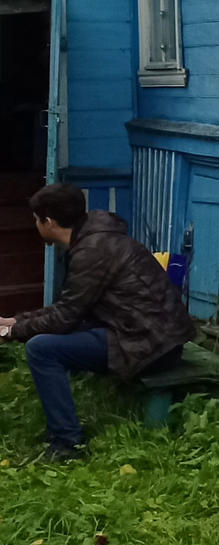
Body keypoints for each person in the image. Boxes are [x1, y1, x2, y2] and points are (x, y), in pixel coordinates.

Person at [0, 184, 193, 461]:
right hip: (151, 334)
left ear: (49, 222)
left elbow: (65, 317)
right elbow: (69, 309)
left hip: (150, 344)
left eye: (36, 219)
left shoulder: (92, 251)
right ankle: (65, 433)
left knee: (41, 349)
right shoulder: (95, 239)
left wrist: (11, 332)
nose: (35, 225)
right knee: (58, 334)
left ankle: (67, 443)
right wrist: (16, 321)